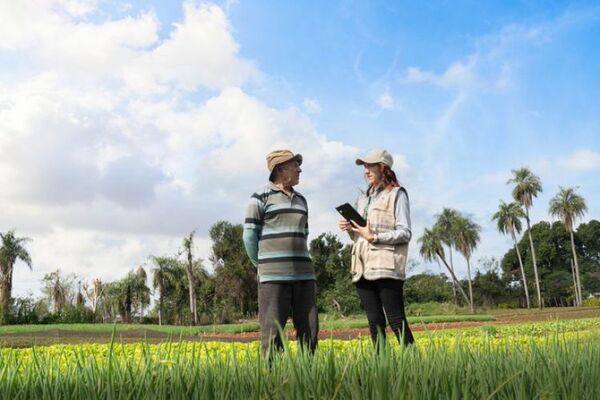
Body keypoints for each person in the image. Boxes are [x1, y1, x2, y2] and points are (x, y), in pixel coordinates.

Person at [243, 149, 319, 355]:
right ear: (280, 169)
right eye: (295, 165)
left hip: (304, 275)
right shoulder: (260, 197)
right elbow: (250, 236)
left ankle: (308, 376)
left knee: (310, 330)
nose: (299, 169)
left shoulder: (302, 200)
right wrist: (262, 266)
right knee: (272, 332)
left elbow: (304, 233)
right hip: (273, 276)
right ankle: (273, 379)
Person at [338, 148, 414, 348]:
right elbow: (360, 236)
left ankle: (415, 365)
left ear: (382, 167)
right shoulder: (363, 198)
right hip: (361, 268)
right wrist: (350, 229)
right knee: (374, 322)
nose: (366, 171)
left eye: (370, 166)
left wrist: (375, 237)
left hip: (386, 267)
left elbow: (405, 232)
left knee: (396, 320)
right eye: (364, 167)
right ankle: (383, 368)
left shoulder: (397, 194)